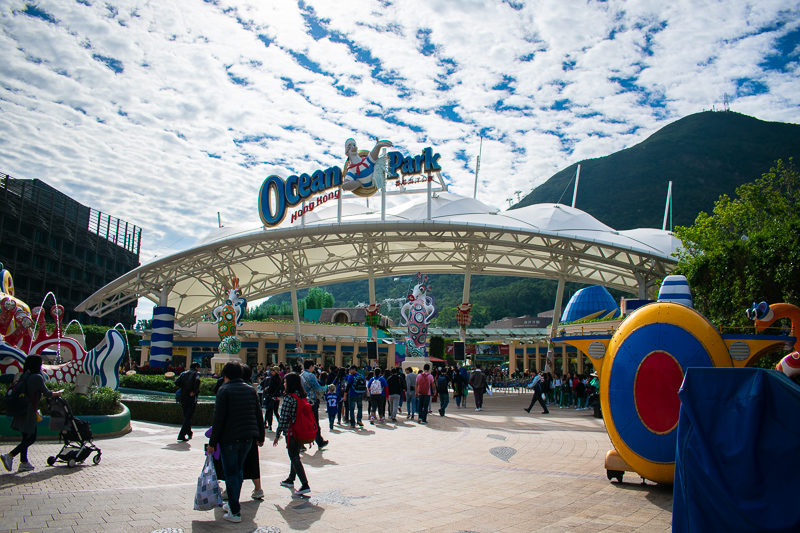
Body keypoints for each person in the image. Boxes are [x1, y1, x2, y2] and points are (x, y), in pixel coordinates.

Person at [206, 361, 265, 523]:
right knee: (237, 471)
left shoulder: (224, 390)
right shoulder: (250, 390)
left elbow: (218, 419)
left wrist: (212, 443)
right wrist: (260, 436)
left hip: (229, 438)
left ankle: (235, 511)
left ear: (225, 375)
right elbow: (258, 414)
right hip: (247, 438)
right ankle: (233, 504)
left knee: (231, 472)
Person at [1, 354, 63, 473]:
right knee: (31, 438)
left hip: (22, 409)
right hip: (29, 411)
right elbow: (47, 393)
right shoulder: (37, 377)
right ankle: (9, 455)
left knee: (26, 437)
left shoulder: (25, 375)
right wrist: (57, 393)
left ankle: (24, 463)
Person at [273, 372, 311, 496]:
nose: (284, 384)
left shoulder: (289, 398)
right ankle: (290, 479)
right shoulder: (302, 395)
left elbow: (283, 417)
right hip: (301, 430)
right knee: (294, 454)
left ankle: (305, 484)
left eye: (285, 381)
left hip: (291, 431)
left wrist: (277, 434)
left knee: (294, 456)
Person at [300, 360, 328, 448]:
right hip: (312, 401)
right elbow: (318, 388)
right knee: (314, 422)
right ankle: (319, 441)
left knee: (303, 423)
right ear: (311, 366)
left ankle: (300, 444)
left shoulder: (301, 376)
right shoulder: (311, 376)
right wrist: (327, 387)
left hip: (303, 401)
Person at [176, 362, 201, 441]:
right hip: (191, 397)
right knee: (188, 416)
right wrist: (194, 391)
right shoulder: (196, 374)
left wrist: (183, 387)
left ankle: (189, 432)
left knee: (187, 415)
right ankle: (181, 435)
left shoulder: (183, 373)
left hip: (183, 396)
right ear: (196, 367)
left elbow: (177, 382)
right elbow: (197, 382)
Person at [263, 366, 283, 431]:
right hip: (276, 397)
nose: (271, 372)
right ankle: (280, 424)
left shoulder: (273, 378)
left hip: (271, 396)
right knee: (275, 411)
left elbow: (272, 388)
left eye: (273, 370)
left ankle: (269, 425)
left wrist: (268, 390)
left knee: (269, 411)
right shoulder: (279, 378)